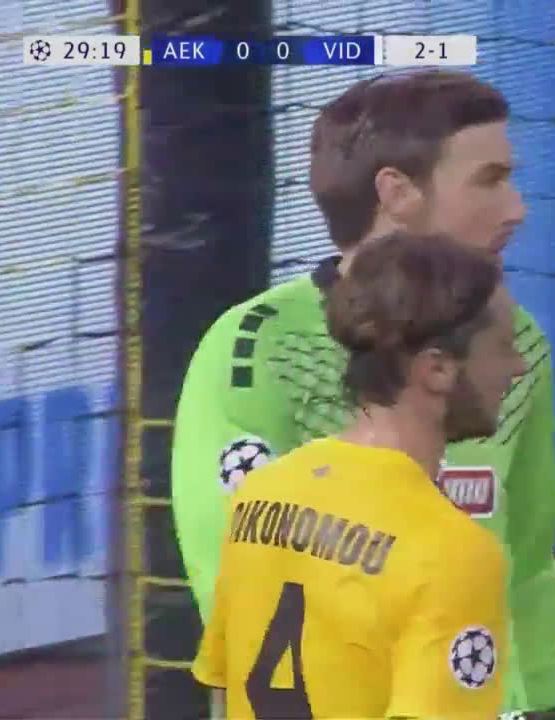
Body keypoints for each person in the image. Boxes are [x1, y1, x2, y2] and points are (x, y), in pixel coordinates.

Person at [171, 70, 555, 718]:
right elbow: (236, 572)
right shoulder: (259, 346)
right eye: (489, 180)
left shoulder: (516, 339)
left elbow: (526, 554)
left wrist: (549, 706)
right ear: (398, 192)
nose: (516, 209)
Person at [192, 231, 523, 718]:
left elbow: (223, 691)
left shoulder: (259, 495)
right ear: (436, 370)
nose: (517, 367)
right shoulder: (452, 555)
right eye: (503, 347)